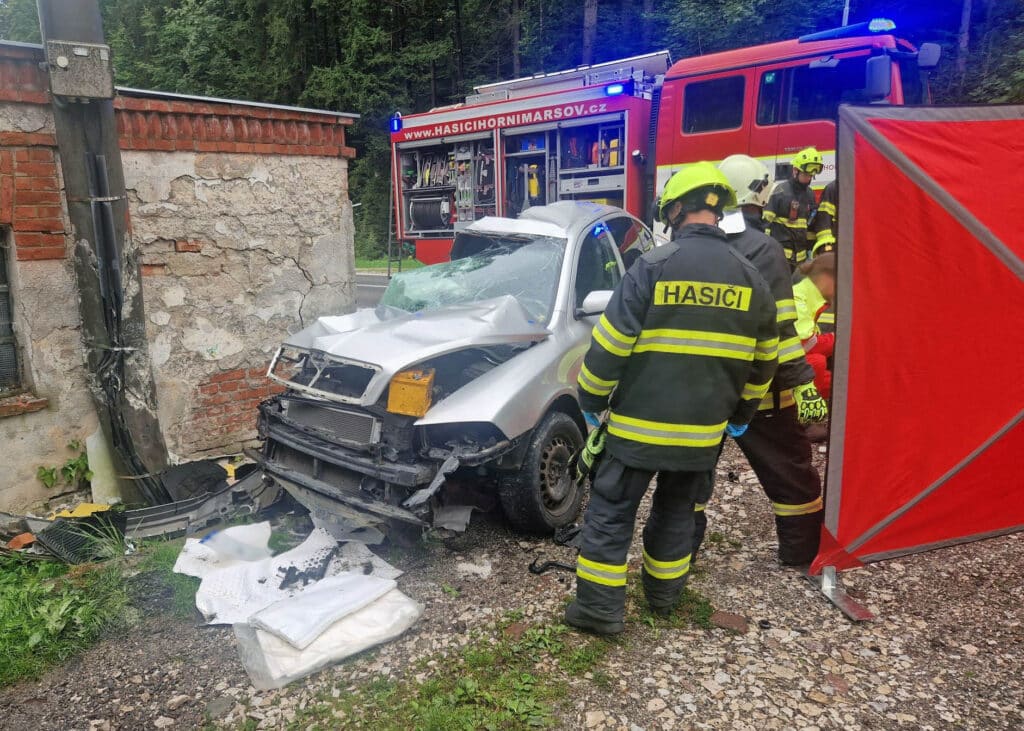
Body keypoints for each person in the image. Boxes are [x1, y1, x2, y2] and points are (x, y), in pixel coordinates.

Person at [567, 162, 779, 635]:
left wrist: (590, 398)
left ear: (677, 210)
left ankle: (600, 611)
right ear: (716, 210)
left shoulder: (653, 267)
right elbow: (766, 360)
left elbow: (611, 347)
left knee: (611, 515)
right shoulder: (751, 278)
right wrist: (740, 415)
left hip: (636, 430)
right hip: (702, 435)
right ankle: (664, 597)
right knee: (678, 513)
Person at [684, 154, 828, 567]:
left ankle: (677, 557)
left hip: (700, 392)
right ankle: (802, 555)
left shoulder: (685, 248)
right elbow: (781, 329)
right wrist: (802, 382)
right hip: (758, 392)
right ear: (759, 194)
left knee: (688, 480)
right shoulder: (763, 250)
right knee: (790, 472)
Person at [764, 147, 822, 268]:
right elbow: (765, 225)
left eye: (812, 175)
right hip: (780, 259)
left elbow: (809, 226)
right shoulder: (779, 191)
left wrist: (810, 251)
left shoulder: (810, 194)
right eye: (806, 174)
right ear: (795, 171)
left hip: (800, 261)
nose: (809, 178)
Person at [792, 252, 836, 403]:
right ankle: (805, 412)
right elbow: (807, 344)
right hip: (786, 368)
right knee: (817, 362)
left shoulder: (808, 295)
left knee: (840, 381)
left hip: (791, 366)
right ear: (825, 278)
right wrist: (840, 340)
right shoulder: (799, 298)